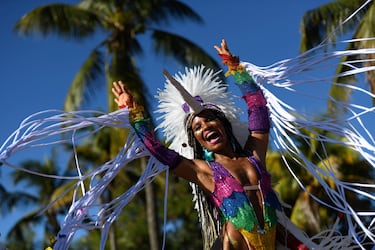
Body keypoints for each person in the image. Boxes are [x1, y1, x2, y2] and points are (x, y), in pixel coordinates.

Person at [112, 40, 307, 250]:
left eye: (209, 119)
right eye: (197, 127)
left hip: (275, 241)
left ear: (223, 124)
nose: (205, 126)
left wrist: (236, 69)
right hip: (234, 244)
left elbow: (258, 111)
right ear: (196, 139)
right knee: (233, 229)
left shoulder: (254, 155)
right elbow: (158, 151)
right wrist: (134, 112)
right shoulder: (204, 172)